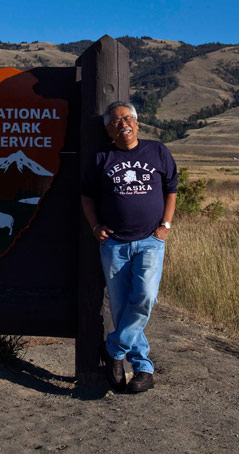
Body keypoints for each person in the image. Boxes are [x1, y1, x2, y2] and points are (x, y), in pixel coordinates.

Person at [80, 101, 178, 393]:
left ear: (137, 123)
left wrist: (166, 226)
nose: (122, 124)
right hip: (114, 244)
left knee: (146, 297)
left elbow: (171, 189)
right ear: (109, 129)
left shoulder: (157, 151)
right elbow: (87, 196)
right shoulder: (101, 158)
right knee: (123, 307)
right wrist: (95, 226)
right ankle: (143, 368)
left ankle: (113, 349)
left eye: (126, 118)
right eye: (115, 121)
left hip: (151, 240)